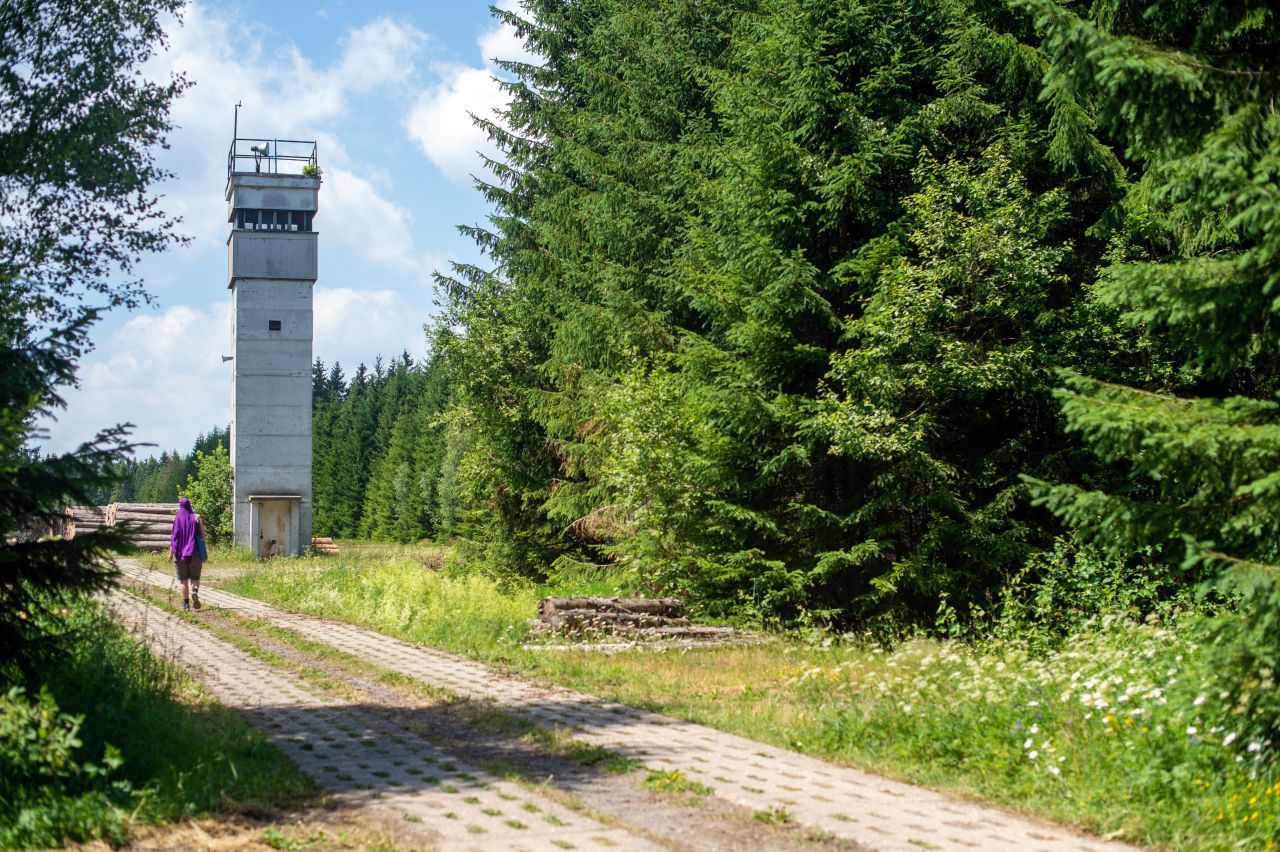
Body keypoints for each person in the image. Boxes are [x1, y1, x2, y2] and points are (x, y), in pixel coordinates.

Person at [170, 497, 204, 611]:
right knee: (195, 578)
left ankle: (186, 605)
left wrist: (171, 554)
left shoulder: (177, 519)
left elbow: (173, 538)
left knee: (183, 580)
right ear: (190, 505)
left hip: (180, 555)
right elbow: (203, 536)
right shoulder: (196, 517)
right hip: (195, 553)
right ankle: (194, 591)